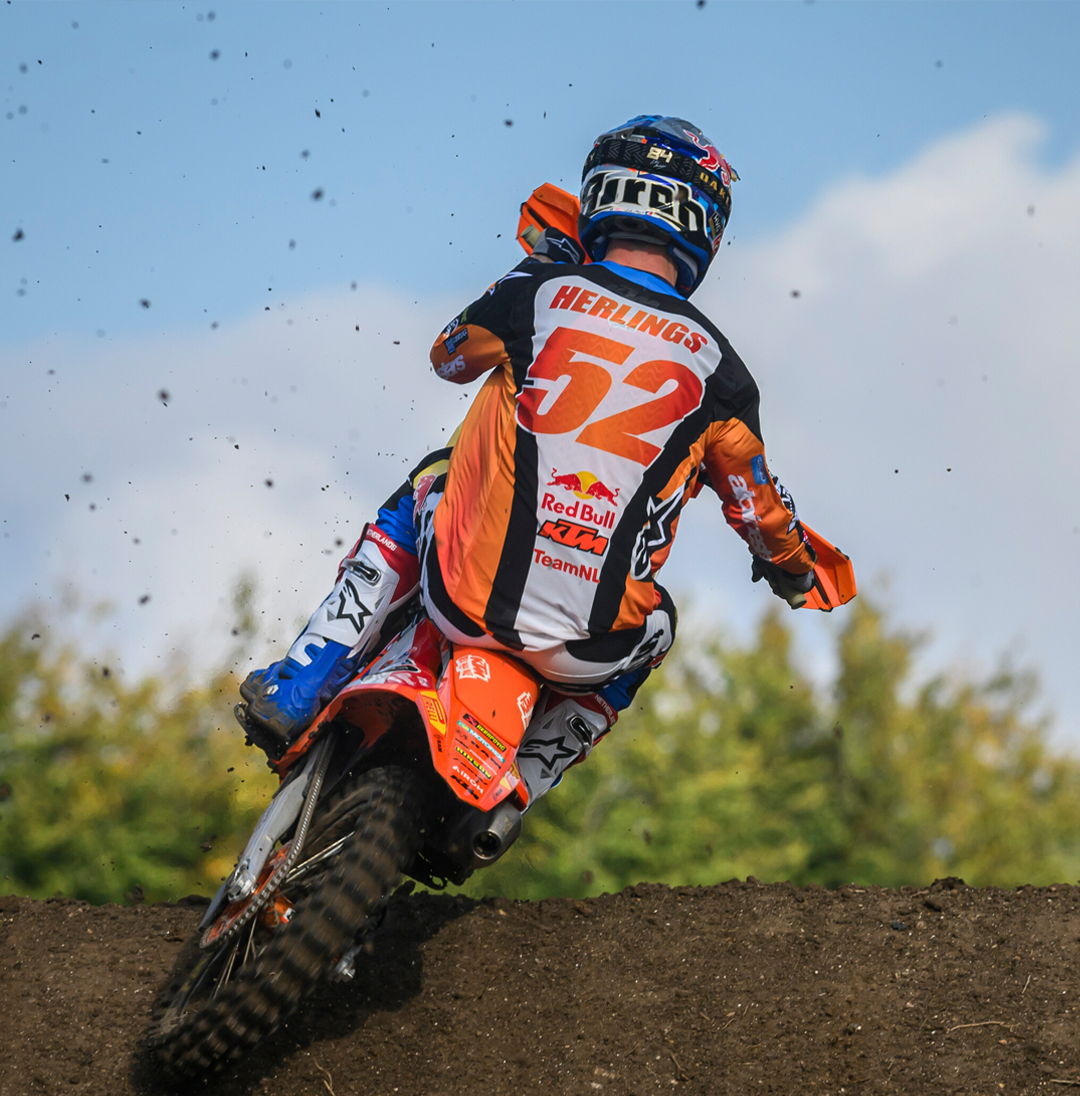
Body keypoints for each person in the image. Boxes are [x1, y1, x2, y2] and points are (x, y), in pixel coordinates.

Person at [238, 115, 818, 805]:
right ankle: (521, 785)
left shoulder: (537, 294)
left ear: (602, 193)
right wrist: (793, 569)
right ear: (703, 225)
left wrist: (539, 262)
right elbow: (758, 512)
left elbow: (448, 358)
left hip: (464, 597)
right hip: (587, 647)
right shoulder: (725, 374)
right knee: (658, 627)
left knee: (432, 479)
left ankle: (300, 686)